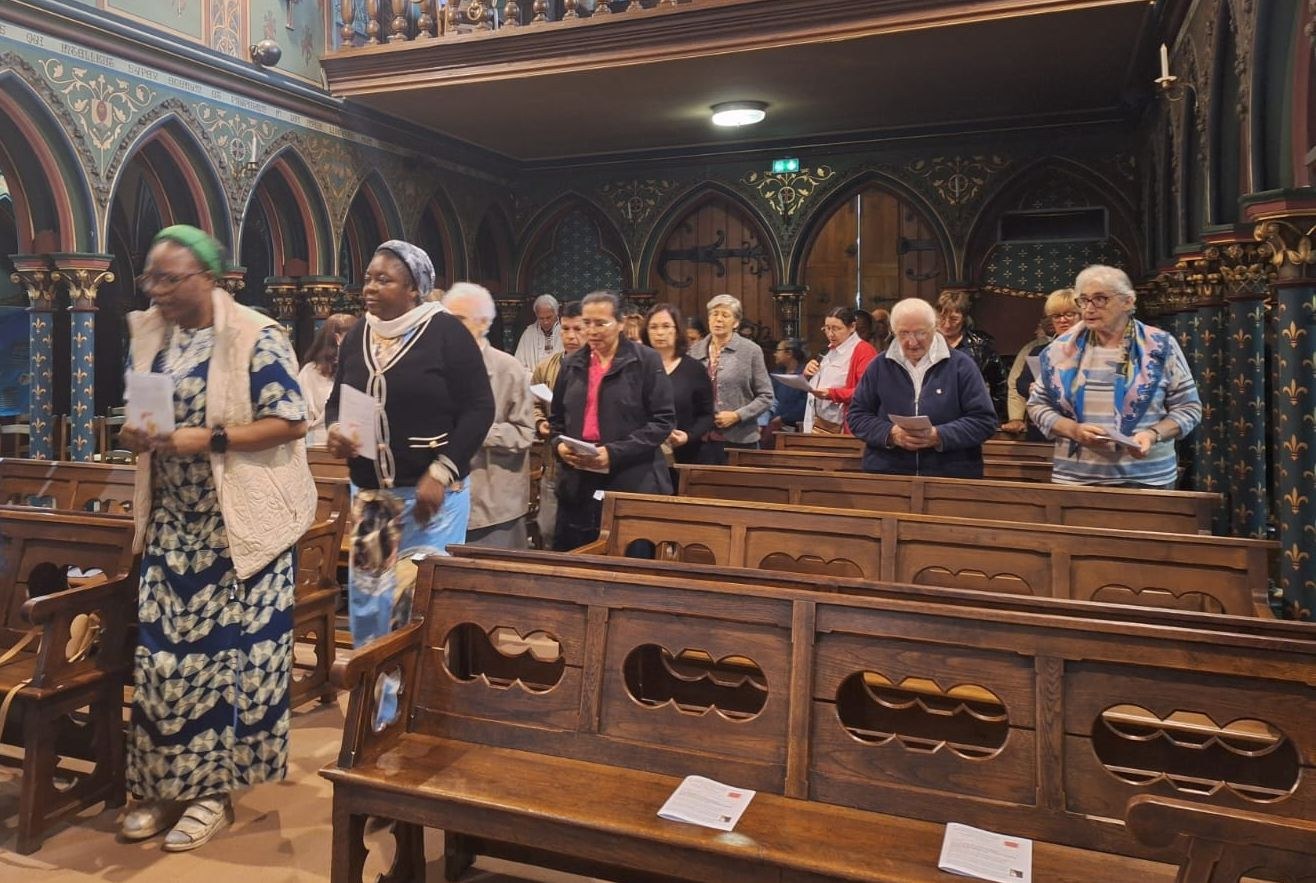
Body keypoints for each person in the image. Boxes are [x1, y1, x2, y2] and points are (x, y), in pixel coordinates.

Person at [118, 224, 317, 851]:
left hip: (241, 530)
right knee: (162, 663)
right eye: (150, 278)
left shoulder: (257, 335)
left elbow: (291, 420)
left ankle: (212, 794)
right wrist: (134, 432)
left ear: (208, 278)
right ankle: (161, 785)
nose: (156, 290)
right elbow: (140, 410)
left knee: (229, 666)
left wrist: (209, 439)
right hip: (172, 524)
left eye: (169, 279)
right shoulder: (150, 334)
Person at [325, 241, 494, 647]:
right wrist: (335, 430)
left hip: (431, 498)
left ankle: (408, 688)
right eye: (368, 278)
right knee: (369, 601)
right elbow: (336, 401)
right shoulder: (359, 334)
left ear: (414, 289)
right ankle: (372, 684)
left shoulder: (446, 333)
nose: (370, 287)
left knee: (413, 600)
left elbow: (479, 408)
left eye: (384, 280)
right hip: (372, 496)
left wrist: (441, 471)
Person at [1028, 265, 1201, 488]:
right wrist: (1073, 430)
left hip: (1146, 478)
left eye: (1100, 299)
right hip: (1076, 479)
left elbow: (1189, 408)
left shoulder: (1160, 345)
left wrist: (1153, 434)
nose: (1089, 308)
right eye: (1084, 300)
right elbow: (1037, 405)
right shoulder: (1060, 349)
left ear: (1128, 302)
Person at [549, 290, 674, 550]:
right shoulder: (571, 363)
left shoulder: (645, 360)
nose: (592, 331)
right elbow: (557, 420)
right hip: (578, 483)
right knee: (575, 561)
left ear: (620, 323)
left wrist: (614, 453)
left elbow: (662, 421)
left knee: (629, 560)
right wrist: (559, 447)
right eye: (587, 323)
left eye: (601, 323)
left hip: (631, 480)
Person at [848, 297, 999, 477]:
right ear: (893, 331)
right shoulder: (879, 366)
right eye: (904, 333)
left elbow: (984, 421)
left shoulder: (962, 366)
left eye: (920, 333)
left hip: (950, 475)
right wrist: (891, 433)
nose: (912, 342)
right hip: (888, 474)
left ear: (934, 328)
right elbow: (857, 416)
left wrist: (939, 435)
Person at [443, 282, 536, 549]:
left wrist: (475, 430)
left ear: (483, 323)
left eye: (459, 320)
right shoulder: (435, 364)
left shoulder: (508, 368)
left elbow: (524, 433)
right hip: (442, 499)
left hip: (493, 505)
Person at [687, 294, 774, 463]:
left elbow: (766, 397)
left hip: (740, 441)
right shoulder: (694, 351)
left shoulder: (751, 351)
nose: (718, 319)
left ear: (736, 323)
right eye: (714, 314)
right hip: (701, 440)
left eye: (725, 315)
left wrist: (737, 415)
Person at [530, 301, 584, 550]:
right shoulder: (546, 366)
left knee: (583, 532)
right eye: (566, 329)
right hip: (553, 461)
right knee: (549, 528)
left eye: (578, 329)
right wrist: (540, 422)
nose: (571, 336)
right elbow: (534, 402)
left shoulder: (598, 368)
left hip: (586, 461)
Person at [643, 302, 714, 485]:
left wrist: (688, 436)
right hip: (641, 458)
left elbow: (706, 415)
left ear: (677, 331)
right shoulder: (635, 367)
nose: (659, 333)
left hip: (684, 456)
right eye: (653, 327)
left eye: (666, 326)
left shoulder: (694, 369)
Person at [1003, 289, 1079, 440]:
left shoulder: (1092, 350)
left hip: (1080, 426)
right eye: (1056, 316)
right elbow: (1020, 384)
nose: (1062, 320)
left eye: (1069, 314)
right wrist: (1032, 387)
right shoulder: (1040, 351)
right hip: (1045, 427)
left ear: (1081, 315)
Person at [802, 307, 878, 434]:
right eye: (827, 328)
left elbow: (867, 392)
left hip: (845, 426)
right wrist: (807, 374)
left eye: (836, 329)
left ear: (852, 327)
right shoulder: (828, 350)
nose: (830, 334)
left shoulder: (863, 351)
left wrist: (831, 393)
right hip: (819, 423)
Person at [937, 290, 1007, 421]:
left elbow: (999, 386)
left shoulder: (980, 346)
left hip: (970, 416)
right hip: (935, 413)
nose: (946, 324)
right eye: (941, 318)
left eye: (954, 319)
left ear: (964, 318)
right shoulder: (925, 344)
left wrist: (989, 416)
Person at [297, 313, 357, 446]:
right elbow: (302, 415)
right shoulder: (310, 371)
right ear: (337, 338)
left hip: (354, 441)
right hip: (320, 444)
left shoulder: (359, 367)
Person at [514, 294, 561, 374]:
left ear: (556, 313)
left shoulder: (565, 332)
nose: (545, 322)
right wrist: (534, 378)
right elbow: (519, 365)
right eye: (541, 318)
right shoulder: (528, 333)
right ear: (536, 315)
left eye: (549, 317)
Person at [768, 338, 808, 429]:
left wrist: (784, 419)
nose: (775, 354)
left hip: (795, 427)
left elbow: (805, 404)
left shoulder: (805, 375)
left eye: (778, 350)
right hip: (772, 424)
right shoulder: (777, 374)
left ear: (789, 353)